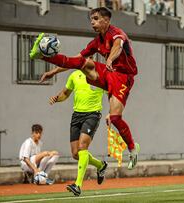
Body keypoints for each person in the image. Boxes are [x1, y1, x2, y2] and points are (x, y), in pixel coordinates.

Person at [30, 7, 140, 171]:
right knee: (82, 63)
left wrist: (109, 59)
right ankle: (42, 55)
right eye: (91, 19)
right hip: (108, 73)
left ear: (106, 20)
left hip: (123, 77)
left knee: (116, 118)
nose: (92, 22)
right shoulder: (96, 42)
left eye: (95, 19)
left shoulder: (117, 33)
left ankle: (132, 149)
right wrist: (53, 71)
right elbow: (76, 59)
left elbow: (117, 46)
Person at [49, 69, 108, 196]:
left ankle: (78, 185)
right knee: (76, 154)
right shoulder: (74, 75)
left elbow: (111, 93)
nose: (88, 59)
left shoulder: (99, 75)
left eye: (91, 57)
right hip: (76, 116)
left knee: (82, 148)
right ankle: (100, 165)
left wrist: (112, 112)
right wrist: (57, 98)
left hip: (93, 114)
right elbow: (65, 93)